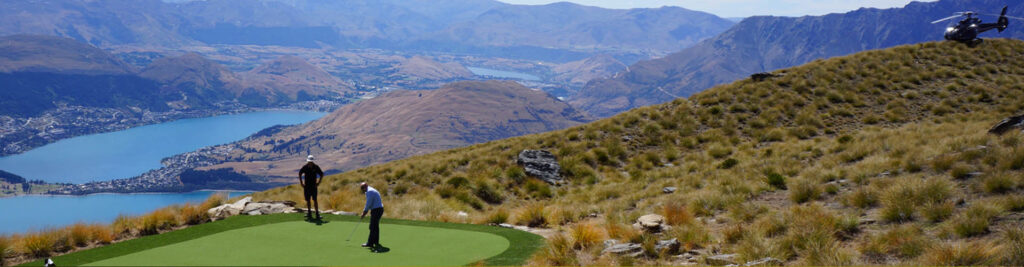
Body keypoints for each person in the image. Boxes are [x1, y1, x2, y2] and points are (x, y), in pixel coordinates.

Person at [299, 155, 324, 219]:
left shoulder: (316, 167)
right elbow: (300, 173)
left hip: (313, 186)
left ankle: (317, 214)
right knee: (308, 200)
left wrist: (318, 183)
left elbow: (321, 174)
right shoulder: (305, 167)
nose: (310, 163)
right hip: (307, 186)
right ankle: (309, 213)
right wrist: (301, 182)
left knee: (315, 200)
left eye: (311, 162)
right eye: (309, 162)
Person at [360, 182, 384, 248]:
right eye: (361, 188)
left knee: (372, 227)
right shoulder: (370, 190)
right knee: (375, 226)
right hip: (378, 209)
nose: (362, 189)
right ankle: (376, 241)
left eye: (363, 188)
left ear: (366, 186)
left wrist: (364, 212)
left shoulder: (370, 191)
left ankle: (370, 243)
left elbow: (368, 204)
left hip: (377, 210)